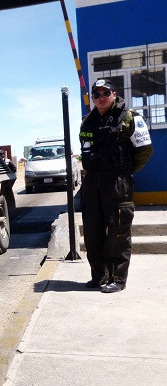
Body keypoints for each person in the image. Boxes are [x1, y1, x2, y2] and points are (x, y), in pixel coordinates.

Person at [79, 78, 153, 293]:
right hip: (93, 183)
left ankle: (117, 279)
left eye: (105, 93)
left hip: (117, 183)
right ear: (93, 98)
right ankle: (99, 276)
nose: (101, 97)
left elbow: (144, 150)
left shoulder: (129, 118)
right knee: (92, 232)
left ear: (114, 94)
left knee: (118, 232)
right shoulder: (87, 122)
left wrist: (124, 172)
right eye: (97, 94)